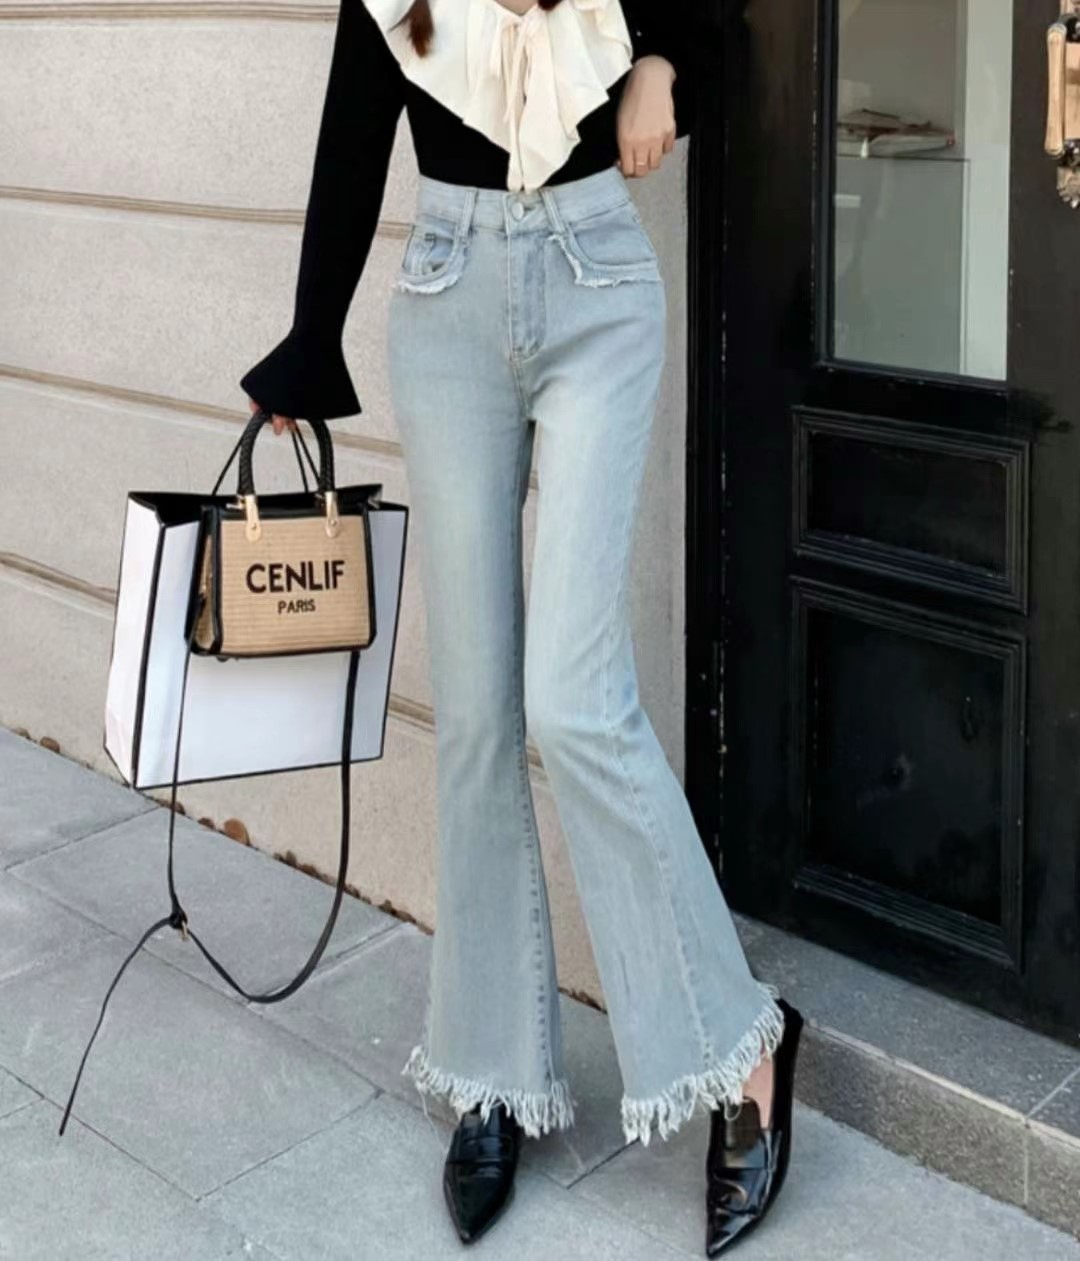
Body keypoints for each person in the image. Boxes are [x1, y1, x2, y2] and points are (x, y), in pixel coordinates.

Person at [239, 0, 802, 1253]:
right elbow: (352, 134)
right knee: (479, 712)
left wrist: (663, 64)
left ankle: (741, 1045)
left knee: (573, 699)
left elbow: (708, 19)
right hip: (447, 292)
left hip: (599, 278)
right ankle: (493, 1068)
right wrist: (309, 339)